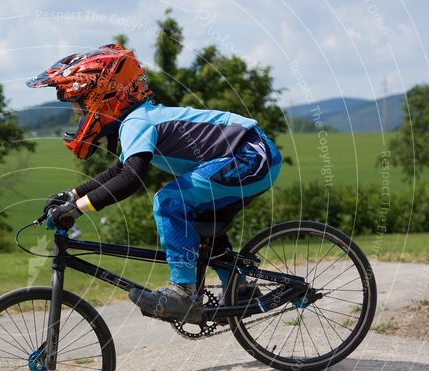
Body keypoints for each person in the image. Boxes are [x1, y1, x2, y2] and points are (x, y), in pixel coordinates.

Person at [27, 43, 282, 321]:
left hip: (249, 155)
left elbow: (130, 179)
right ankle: (240, 288)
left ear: (102, 96)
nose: (76, 112)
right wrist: (71, 195)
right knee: (198, 220)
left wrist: (78, 209)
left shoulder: (137, 122)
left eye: (78, 105)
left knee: (170, 201)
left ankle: (183, 294)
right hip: (254, 154)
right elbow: (118, 171)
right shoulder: (139, 119)